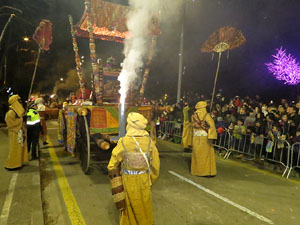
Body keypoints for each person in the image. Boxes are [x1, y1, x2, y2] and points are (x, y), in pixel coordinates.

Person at [107, 112, 160, 225]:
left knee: (129, 207)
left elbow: (112, 164)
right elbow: (155, 165)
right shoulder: (149, 142)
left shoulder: (123, 142)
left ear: (130, 126)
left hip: (127, 180)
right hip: (143, 179)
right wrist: (151, 179)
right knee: (144, 205)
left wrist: (117, 179)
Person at [191, 101, 217, 177]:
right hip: (205, 137)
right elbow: (212, 125)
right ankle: (206, 172)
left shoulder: (194, 115)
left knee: (197, 154)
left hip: (196, 136)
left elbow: (193, 125)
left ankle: (196, 171)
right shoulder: (206, 115)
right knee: (206, 155)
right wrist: (212, 134)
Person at [5, 95, 28, 169]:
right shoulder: (11, 112)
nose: (20, 103)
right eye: (19, 101)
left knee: (19, 148)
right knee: (14, 149)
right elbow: (10, 123)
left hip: (18, 132)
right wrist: (21, 120)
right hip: (14, 133)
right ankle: (12, 164)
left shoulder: (16, 111)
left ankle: (19, 162)